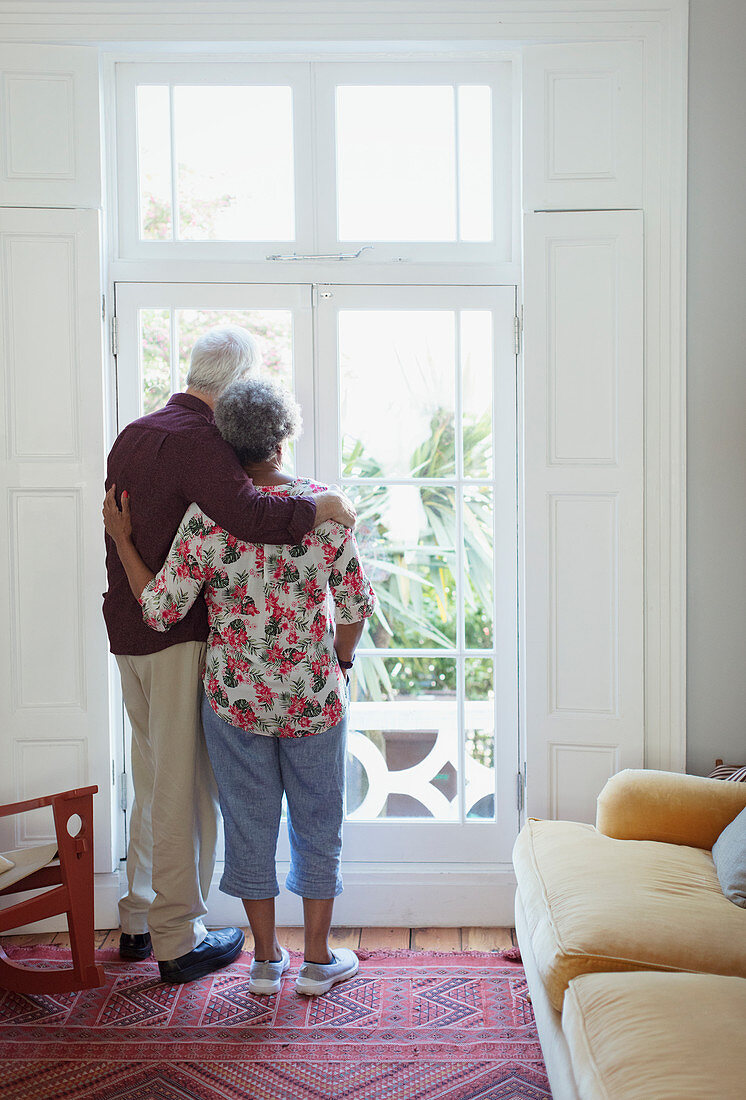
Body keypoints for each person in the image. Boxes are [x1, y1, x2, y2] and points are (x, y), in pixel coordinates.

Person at [104, 375, 376, 998]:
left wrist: (122, 540)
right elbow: (357, 607)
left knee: (249, 825)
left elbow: (161, 608)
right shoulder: (324, 510)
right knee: (318, 824)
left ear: (229, 447)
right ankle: (315, 961)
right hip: (313, 696)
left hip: (234, 701)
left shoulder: (209, 524)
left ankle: (263, 962)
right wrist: (339, 659)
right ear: (279, 444)